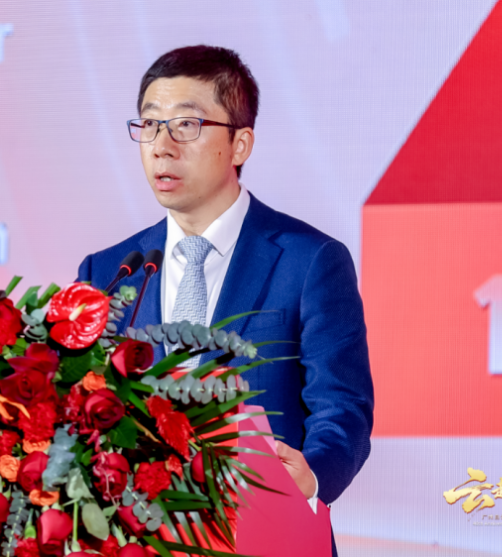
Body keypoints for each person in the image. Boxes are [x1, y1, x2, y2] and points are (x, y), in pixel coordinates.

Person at [76, 45, 373, 549]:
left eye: (186, 125)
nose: (161, 146)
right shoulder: (108, 272)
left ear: (240, 144)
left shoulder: (309, 261)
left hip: (268, 535)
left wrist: (312, 478)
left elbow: (343, 409)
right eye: (149, 125)